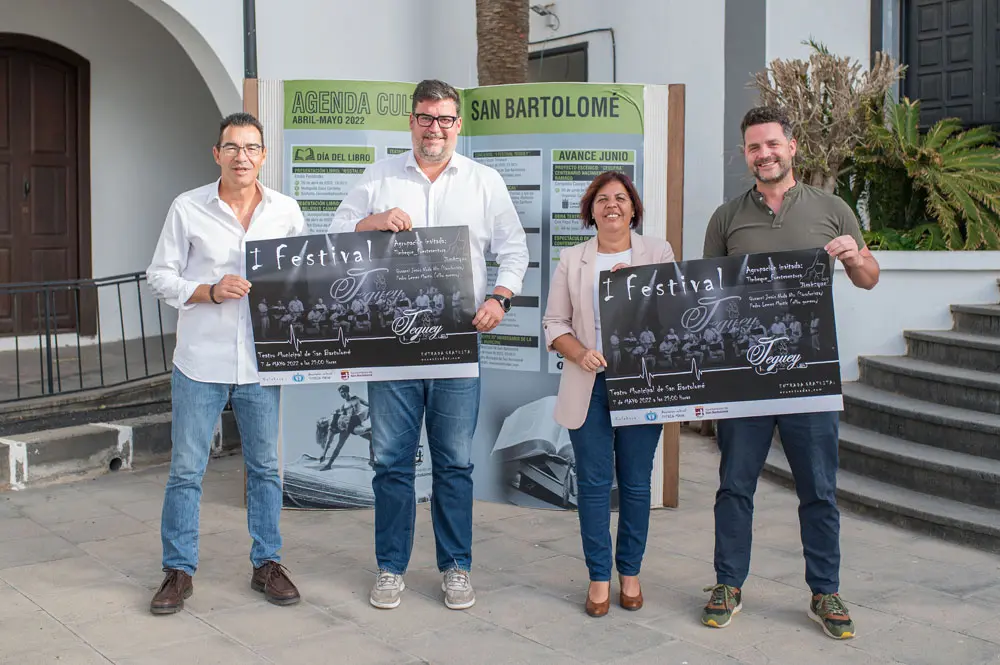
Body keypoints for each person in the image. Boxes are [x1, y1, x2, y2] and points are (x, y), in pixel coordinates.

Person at [328, 79, 529, 611]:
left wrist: (501, 299)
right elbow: (335, 235)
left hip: (457, 343)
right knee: (390, 461)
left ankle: (456, 567)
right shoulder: (379, 176)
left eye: (444, 119)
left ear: (457, 124)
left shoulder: (484, 182)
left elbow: (514, 252)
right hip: (391, 345)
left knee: (454, 462)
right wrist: (372, 222)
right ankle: (391, 568)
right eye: (425, 117)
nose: (434, 128)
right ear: (411, 121)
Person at [700, 106, 879, 639]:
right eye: (754, 147)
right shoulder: (726, 217)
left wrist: (852, 257)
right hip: (745, 376)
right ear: (745, 155)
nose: (765, 154)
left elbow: (870, 277)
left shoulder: (831, 207)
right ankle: (728, 583)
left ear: (792, 146)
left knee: (819, 488)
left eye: (772, 144)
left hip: (810, 372)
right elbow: (709, 293)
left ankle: (825, 592)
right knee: (734, 486)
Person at [145, 112, 304, 615]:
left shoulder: (286, 211)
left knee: (265, 470)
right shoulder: (188, 207)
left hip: (262, 362)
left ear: (263, 155)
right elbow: (159, 276)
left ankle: (268, 565)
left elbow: (303, 275)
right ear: (217, 154)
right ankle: (178, 571)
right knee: (187, 470)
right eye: (232, 147)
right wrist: (208, 291)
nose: (242, 156)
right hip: (201, 361)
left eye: (251, 147)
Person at [542, 171, 675, 618]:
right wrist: (579, 354)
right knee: (596, 486)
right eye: (602, 199)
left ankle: (630, 572)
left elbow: (675, 314)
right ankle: (599, 576)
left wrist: (635, 283)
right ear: (591, 210)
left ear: (634, 208)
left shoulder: (657, 252)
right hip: (590, 383)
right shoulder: (572, 258)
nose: (611, 205)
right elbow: (554, 323)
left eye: (620, 198)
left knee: (636, 484)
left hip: (643, 382)